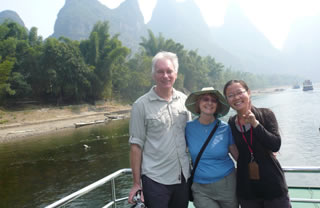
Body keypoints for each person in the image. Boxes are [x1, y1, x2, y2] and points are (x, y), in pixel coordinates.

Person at [128, 51, 192, 208]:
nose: (165, 76)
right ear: (153, 75)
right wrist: (137, 184)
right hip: (156, 180)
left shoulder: (185, 101)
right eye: (160, 71)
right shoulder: (140, 105)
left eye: (169, 71)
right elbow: (136, 146)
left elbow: (191, 136)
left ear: (175, 74)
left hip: (183, 178)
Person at [223, 80, 291, 208]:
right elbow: (233, 149)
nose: (236, 97)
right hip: (247, 188)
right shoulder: (231, 123)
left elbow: (275, 145)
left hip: (272, 184)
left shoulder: (266, 114)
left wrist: (255, 124)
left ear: (248, 93)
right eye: (230, 95)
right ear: (227, 100)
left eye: (239, 92)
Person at [185, 87, 239, 208]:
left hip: (227, 184)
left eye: (214, 100)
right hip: (200, 188)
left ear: (217, 106)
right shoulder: (188, 128)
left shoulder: (225, 128)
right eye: (205, 99)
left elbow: (236, 154)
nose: (209, 103)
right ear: (198, 103)